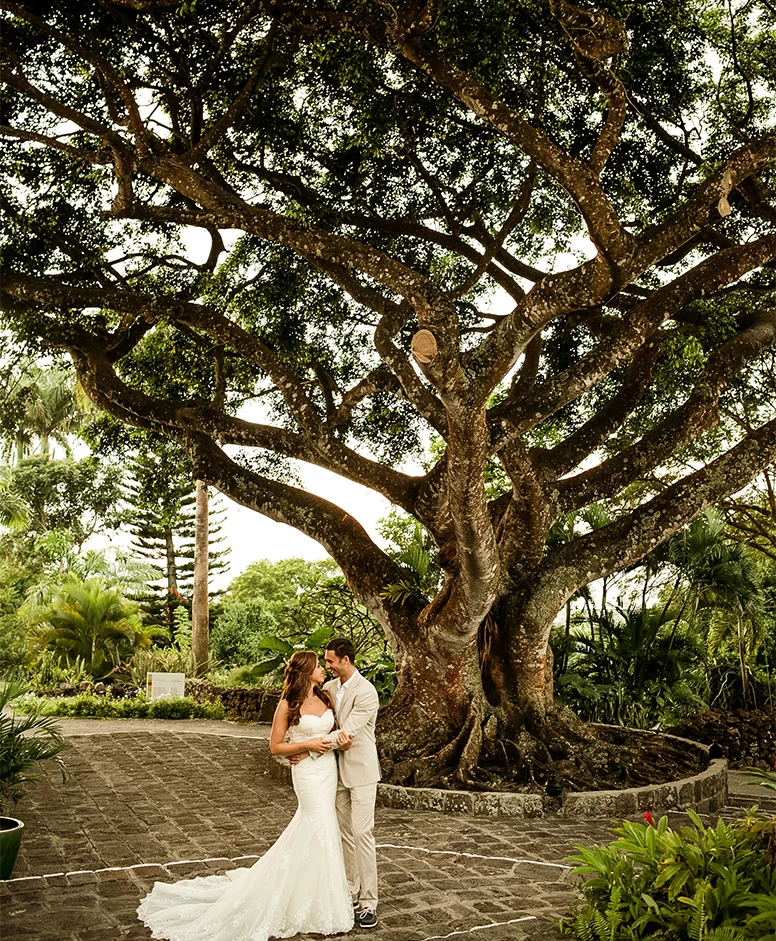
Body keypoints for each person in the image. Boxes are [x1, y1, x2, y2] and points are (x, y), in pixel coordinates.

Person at [137, 650, 354, 941]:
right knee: (318, 823)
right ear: (306, 672)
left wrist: (339, 741)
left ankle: (317, 896)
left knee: (323, 827)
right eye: (319, 667)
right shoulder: (287, 705)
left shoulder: (327, 697)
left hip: (327, 770)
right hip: (307, 773)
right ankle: (297, 895)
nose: (324, 670)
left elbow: (332, 733)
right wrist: (307, 746)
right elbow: (275, 747)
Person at [318, 637, 382, 929]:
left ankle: (369, 902)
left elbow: (347, 734)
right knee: (344, 834)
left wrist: (303, 747)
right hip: (336, 772)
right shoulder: (328, 689)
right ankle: (350, 890)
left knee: (362, 833)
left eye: (330, 660)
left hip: (362, 772)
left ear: (346, 660)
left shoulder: (366, 692)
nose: (327, 665)